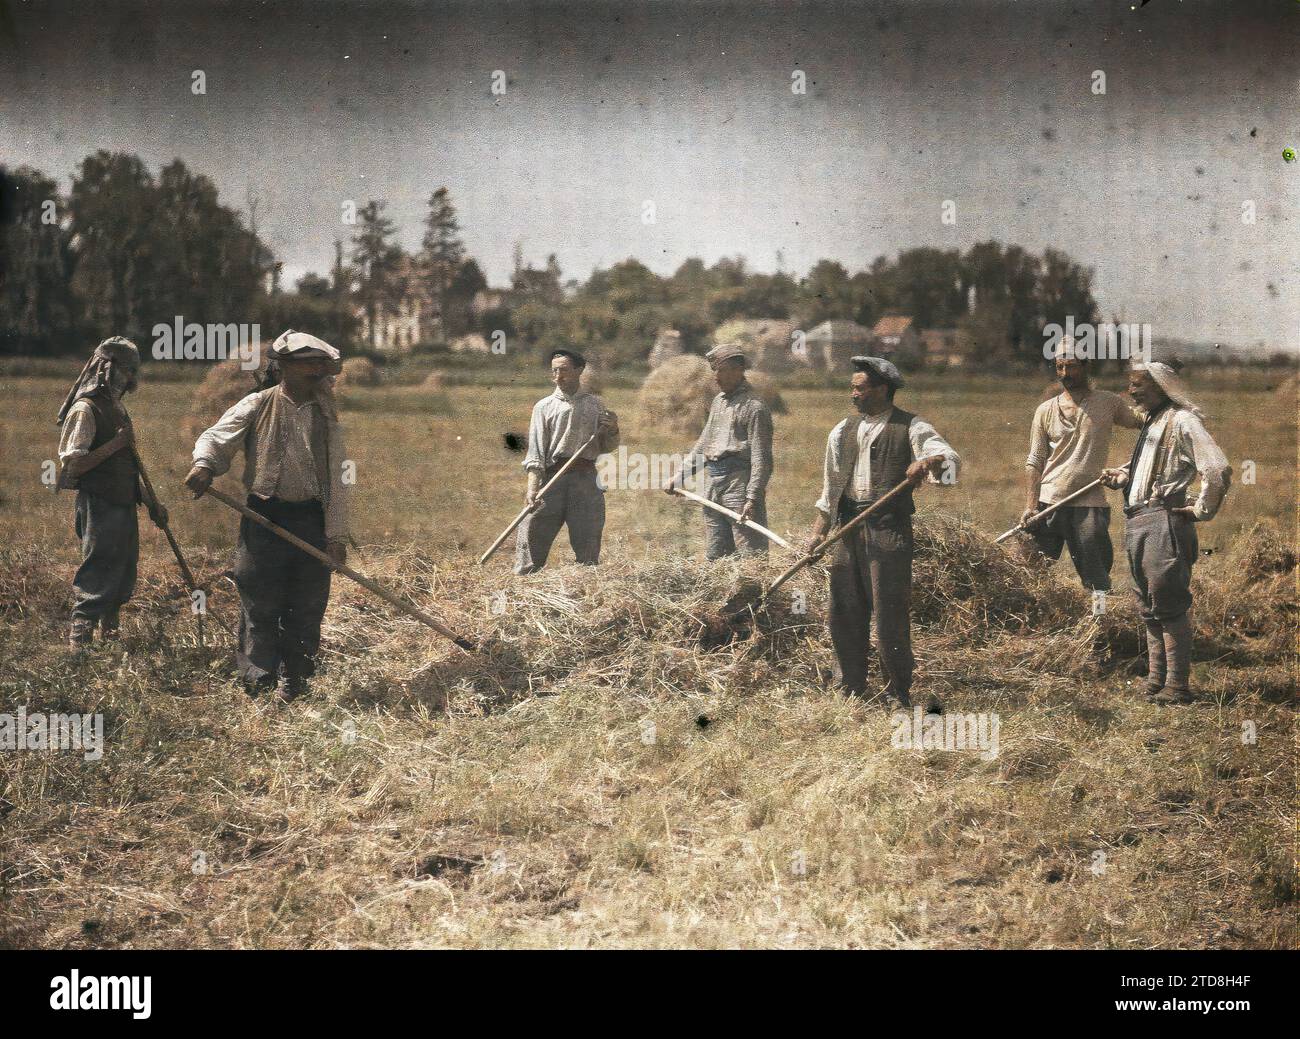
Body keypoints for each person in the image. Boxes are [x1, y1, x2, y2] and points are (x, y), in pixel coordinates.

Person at [184, 330, 350, 701]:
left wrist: (336, 536)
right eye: (307, 363)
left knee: (307, 605)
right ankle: (258, 686)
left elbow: (340, 480)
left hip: (310, 520)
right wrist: (204, 466)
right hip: (263, 517)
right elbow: (215, 437)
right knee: (260, 602)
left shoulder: (326, 418)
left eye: (319, 364)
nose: (316, 371)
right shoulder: (257, 404)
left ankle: (296, 683)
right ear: (284, 367)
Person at [805, 356, 960, 708]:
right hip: (847, 529)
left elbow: (948, 461)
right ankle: (850, 688)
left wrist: (929, 461)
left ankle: (896, 692)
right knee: (844, 610)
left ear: (882, 389)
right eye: (852, 388)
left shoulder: (912, 427)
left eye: (860, 388)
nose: (854, 395)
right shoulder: (842, 430)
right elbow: (830, 489)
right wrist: (818, 534)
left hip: (888, 530)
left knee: (889, 614)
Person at [1101, 360, 1230, 705]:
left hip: (1164, 522)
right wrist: (1124, 479)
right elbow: (1156, 468)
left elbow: (1216, 469)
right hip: (1139, 521)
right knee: (1149, 605)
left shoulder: (1184, 420)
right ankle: (1157, 680)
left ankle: (1177, 686)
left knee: (1168, 604)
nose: (1131, 391)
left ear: (1162, 385)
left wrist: (1201, 510)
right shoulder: (1156, 421)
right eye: (1130, 384)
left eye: (1140, 384)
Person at [56, 336, 167, 647]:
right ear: (107, 367)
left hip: (123, 502)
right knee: (99, 565)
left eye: (134, 371)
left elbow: (128, 465)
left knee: (122, 567)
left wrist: (151, 502)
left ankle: (110, 635)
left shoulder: (117, 407)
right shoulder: (86, 409)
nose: (131, 378)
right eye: (127, 370)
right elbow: (73, 467)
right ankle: (80, 641)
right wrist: (116, 443)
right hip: (99, 502)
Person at [1022, 337, 1143, 591]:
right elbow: (1035, 459)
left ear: (1087, 365)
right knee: (1032, 576)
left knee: (1096, 577)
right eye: (1060, 367)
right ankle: (1033, 626)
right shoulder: (1045, 410)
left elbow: (1142, 423)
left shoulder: (1108, 403)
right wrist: (1031, 506)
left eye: (1073, 366)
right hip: (1048, 504)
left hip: (1089, 504)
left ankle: (1099, 621)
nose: (1066, 373)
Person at [664, 344, 774, 560]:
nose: (715, 377)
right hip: (714, 485)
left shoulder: (754, 407)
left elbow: (761, 459)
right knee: (717, 556)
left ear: (738, 370)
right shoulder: (718, 402)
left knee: (750, 556)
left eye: (721, 370)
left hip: (739, 486)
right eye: (714, 370)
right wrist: (679, 477)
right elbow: (704, 445)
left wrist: (752, 497)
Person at [515, 349, 619, 575]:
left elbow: (607, 447)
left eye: (563, 370)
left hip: (586, 481)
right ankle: (523, 587)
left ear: (579, 371)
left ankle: (587, 590)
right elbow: (536, 453)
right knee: (532, 531)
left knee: (588, 543)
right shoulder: (544, 407)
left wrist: (613, 429)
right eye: (554, 371)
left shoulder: (595, 405)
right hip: (552, 479)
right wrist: (533, 489)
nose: (558, 376)